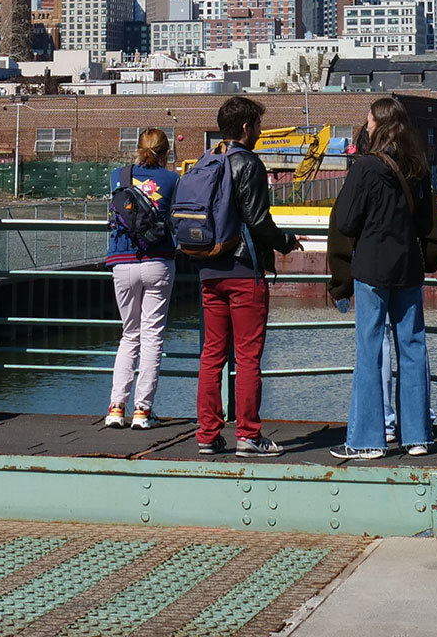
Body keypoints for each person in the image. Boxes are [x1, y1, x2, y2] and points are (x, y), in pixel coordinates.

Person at [329, 97, 437, 461]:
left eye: (369, 120)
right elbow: (428, 222)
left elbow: (345, 221)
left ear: (380, 124)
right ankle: (418, 436)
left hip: (373, 268)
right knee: (413, 348)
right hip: (409, 266)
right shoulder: (418, 167)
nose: (367, 125)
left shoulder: (366, 168)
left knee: (370, 352)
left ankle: (367, 440)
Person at [194, 95, 302, 457]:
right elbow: (258, 221)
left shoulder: (208, 160)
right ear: (246, 128)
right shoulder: (249, 163)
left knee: (212, 354)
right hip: (243, 270)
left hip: (209, 268)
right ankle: (249, 436)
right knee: (248, 355)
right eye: (257, 124)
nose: (259, 131)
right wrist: (286, 243)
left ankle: (208, 434)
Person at [104, 126, 179, 430]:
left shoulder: (117, 176)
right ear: (165, 152)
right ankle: (142, 411)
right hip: (158, 260)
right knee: (152, 337)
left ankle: (115, 407)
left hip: (121, 261)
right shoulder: (174, 180)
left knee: (129, 335)